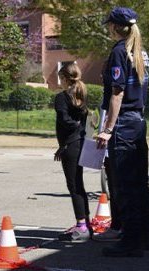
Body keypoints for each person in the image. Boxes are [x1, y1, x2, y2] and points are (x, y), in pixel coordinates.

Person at [95, 7, 149, 257]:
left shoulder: (120, 51)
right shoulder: (140, 51)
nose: (108, 28)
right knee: (140, 182)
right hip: (138, 120)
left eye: (109, 25)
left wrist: (107, 129)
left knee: (125, 184)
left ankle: (130, 242)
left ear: (115, 27)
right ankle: (145, 236)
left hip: (123, 124)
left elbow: (117, 94)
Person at [54, 63, 91, 242]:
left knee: (74, 186)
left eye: (60, 78)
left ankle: (81, 225)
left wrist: (71, 132)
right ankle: (87, 223)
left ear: (65, 78)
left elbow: (64, 120)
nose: (59, 81)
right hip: (80, 142)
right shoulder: (81, 94)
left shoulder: (62, 97)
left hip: (71, 145)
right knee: (79, 184)